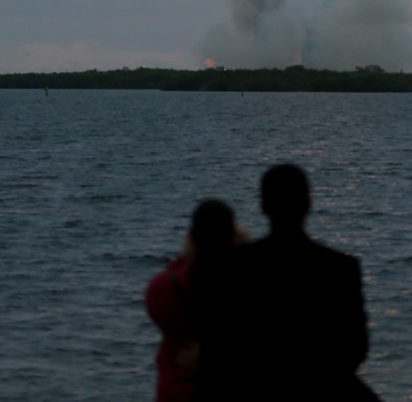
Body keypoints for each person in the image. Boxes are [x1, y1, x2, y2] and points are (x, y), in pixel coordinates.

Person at [196, 163, 374, 402]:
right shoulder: (341, 268)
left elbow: (216, 348)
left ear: (263, 206)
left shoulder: (233, 267)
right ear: (308, 204)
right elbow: (355, 348)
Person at [145, 198, 245, 402]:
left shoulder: (165, 289)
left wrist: (184, 258)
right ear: (233, 238)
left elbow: (162, 293)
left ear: (192, 238)